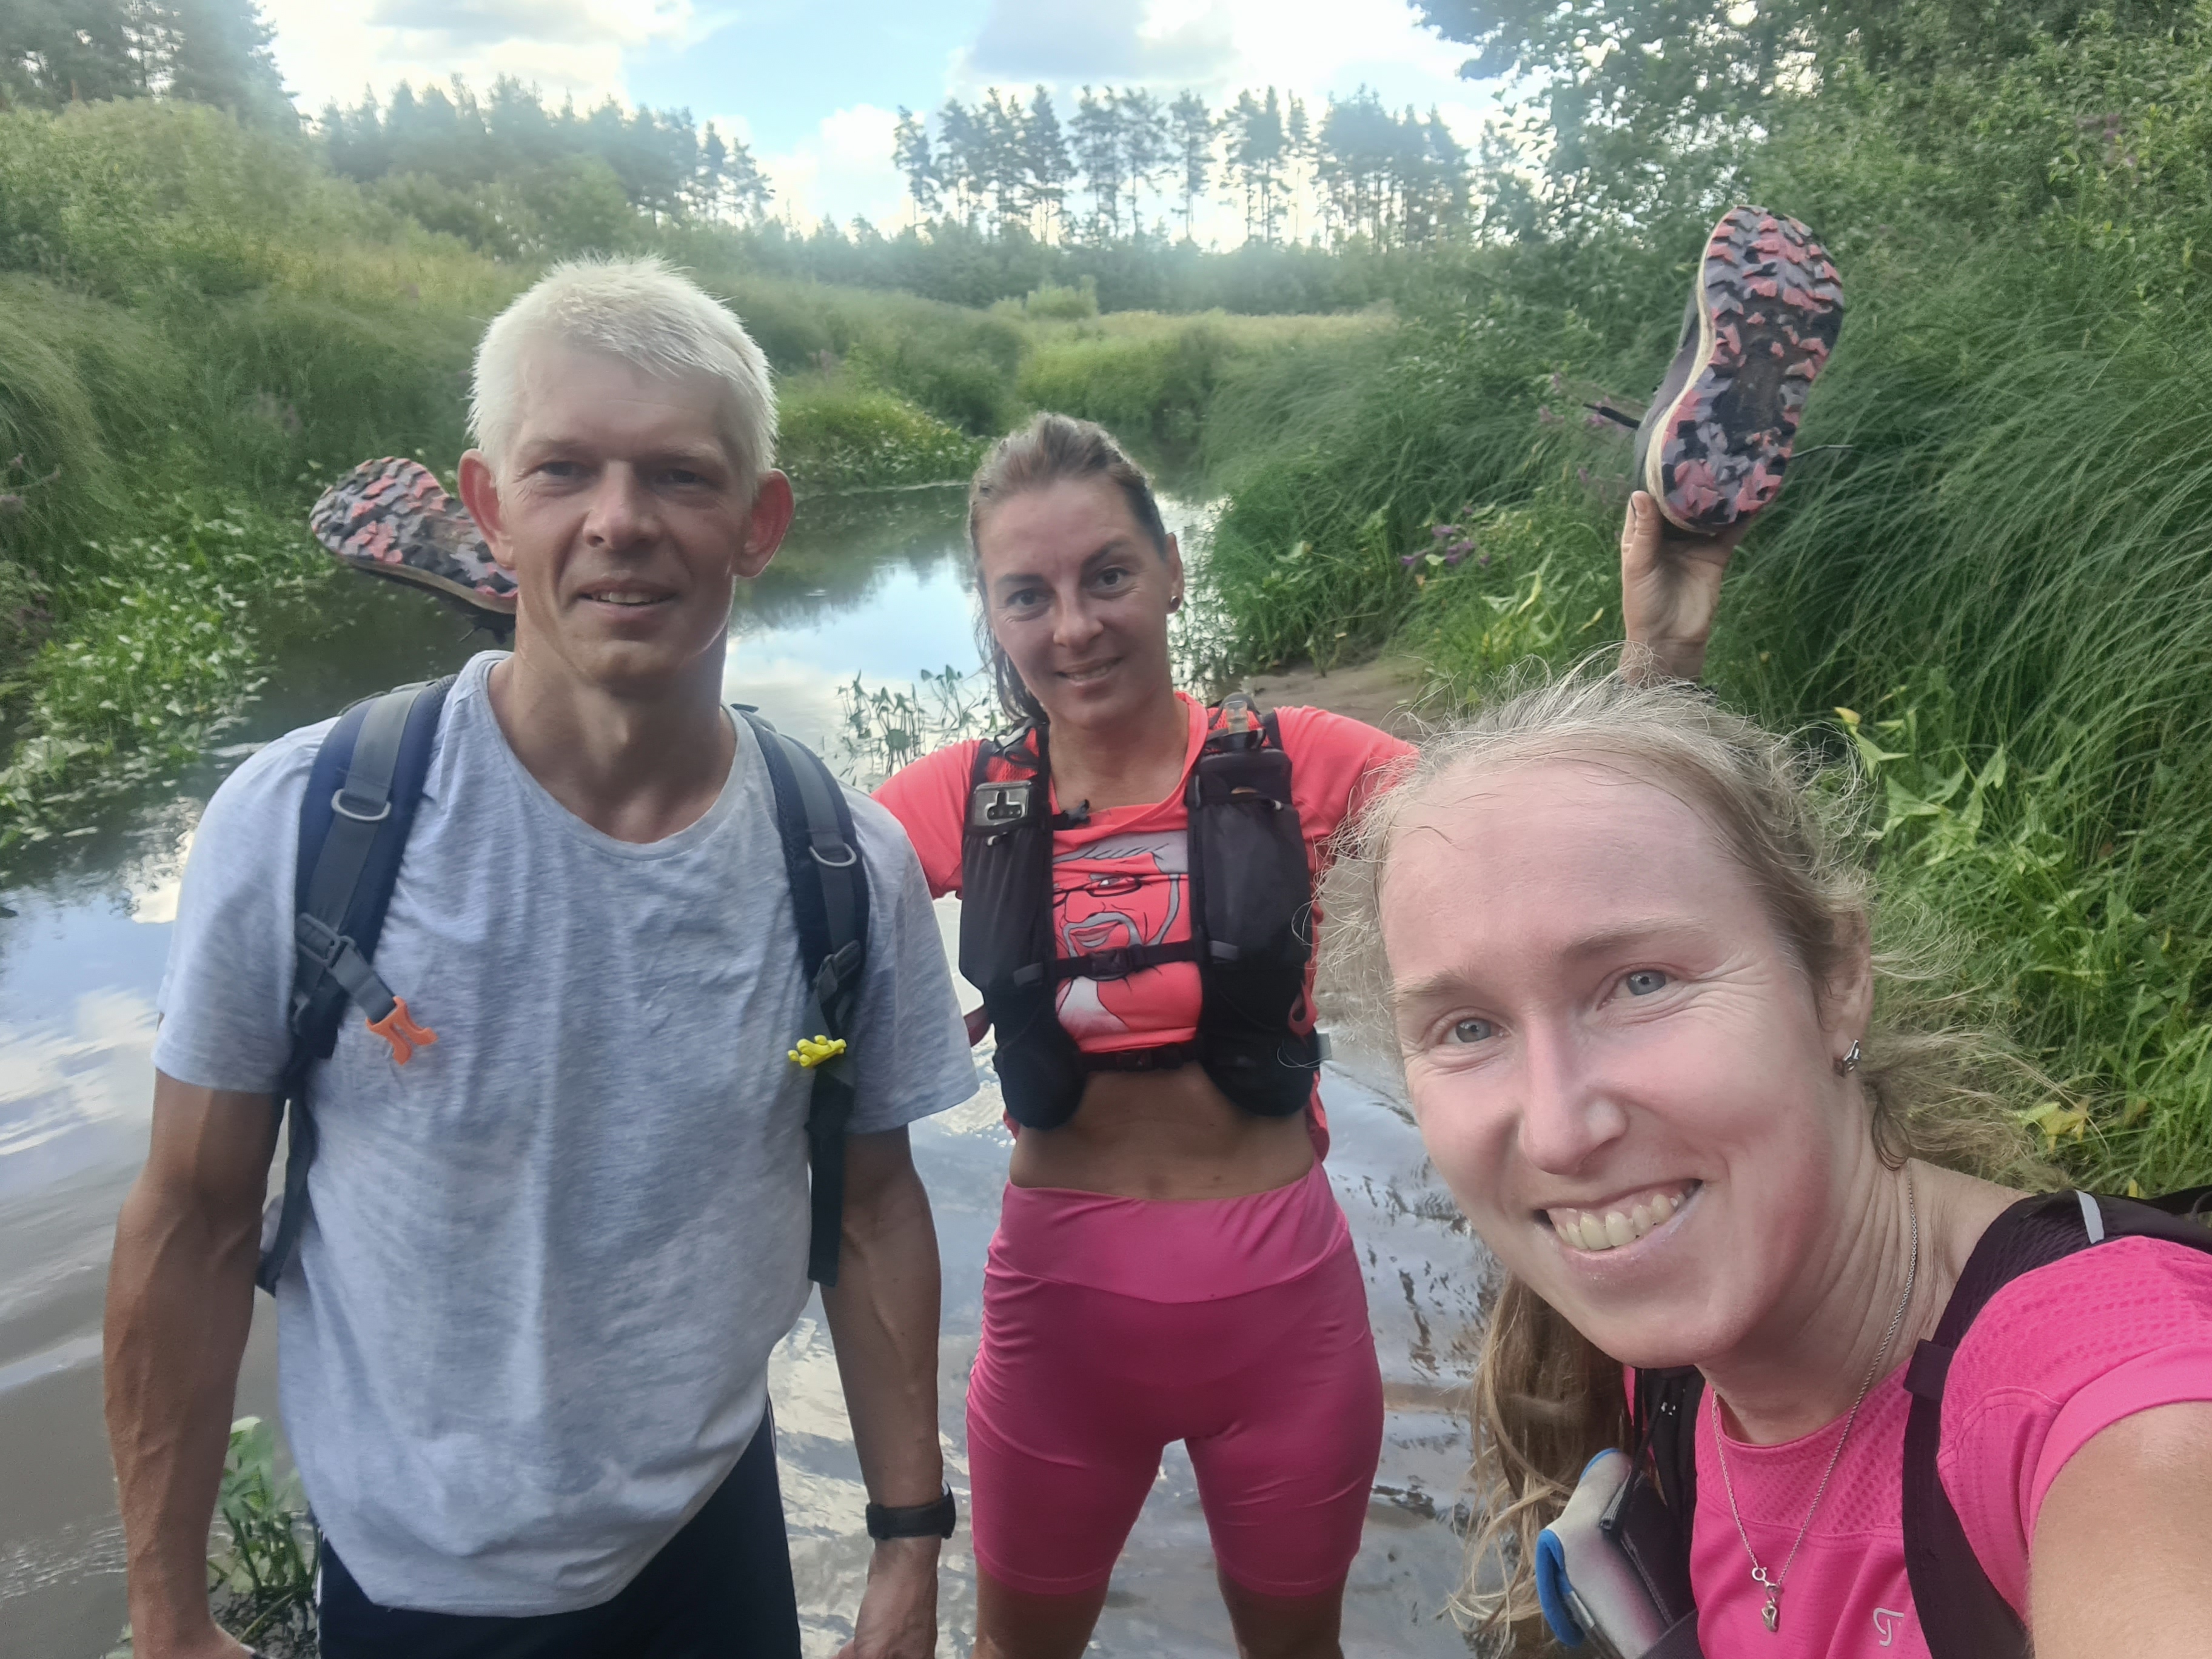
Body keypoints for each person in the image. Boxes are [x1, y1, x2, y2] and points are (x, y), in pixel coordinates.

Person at [102, 256, 980, 1659]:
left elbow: (873, 1212)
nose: (620, 521)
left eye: (680, 476)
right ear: (491, 508)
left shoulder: (842, 862)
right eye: (564, 469)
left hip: (713, 1543)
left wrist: (909, 1542)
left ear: (759, 523)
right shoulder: (305, 823)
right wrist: (165, 1611)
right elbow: (193, 1222)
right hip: (416, 1587)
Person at [867, 414, 1743, 1659]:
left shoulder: (1296, 766)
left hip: (1282, 1326)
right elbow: (772, 908)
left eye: (1108, 576)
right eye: (1028, 596)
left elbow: (1557, 831)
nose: (1074, 627)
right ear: (993, 614)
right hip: (1054, 1335)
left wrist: (1659, 656)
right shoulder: (962, 797)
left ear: (1172, 568)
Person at [1327, 668, 2212, 1657]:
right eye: (1468, 1028)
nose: (1558, 1134)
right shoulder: (1668, 1366)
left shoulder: (2108, 1407)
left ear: (1838, 979)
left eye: (1642, 983)